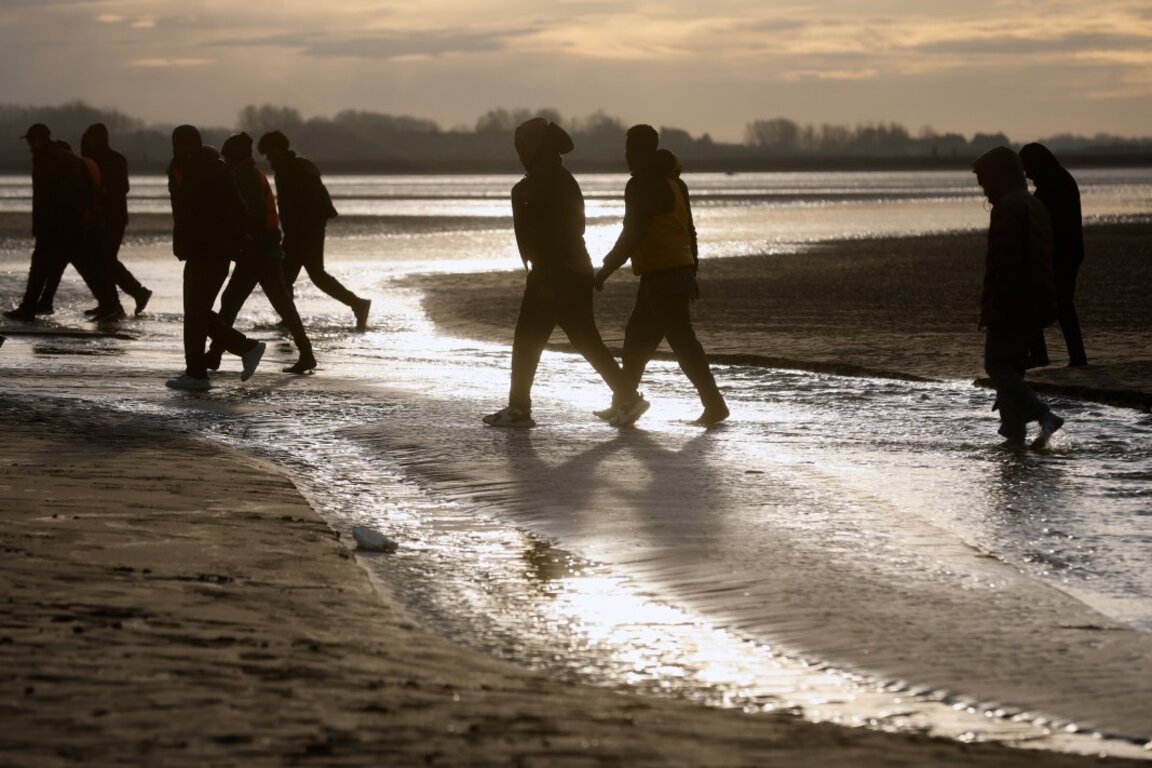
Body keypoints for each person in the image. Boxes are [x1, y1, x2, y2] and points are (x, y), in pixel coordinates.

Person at [482, 118, 648, 428]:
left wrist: (545, 277)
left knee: (529, 339)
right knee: (584, 339)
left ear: (534, 148)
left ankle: (519, 408)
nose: (519, 152)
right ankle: (628, 397)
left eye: (522, 146)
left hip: (554, 273)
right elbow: (577, 226)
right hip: (574, 269)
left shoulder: (536, 184)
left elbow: (550, 234)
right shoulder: (561, 178)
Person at [594, 125, 729, 426]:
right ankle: (622, 401)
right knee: (636, 340)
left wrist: (605, 269)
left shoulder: (641, 184)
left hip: (662, 276)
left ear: (641, 150)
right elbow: (689, 232)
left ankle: (715, 405)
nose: (626, 153)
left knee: (682, 343)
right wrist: (692, 270)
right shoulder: (675, 184)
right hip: (670, 273)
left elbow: (632, 234)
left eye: (630, 148)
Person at [972, 146, 1065, 449]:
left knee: (996, 365)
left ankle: (1043, 415)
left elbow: (1006, 263)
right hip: (1034, 303)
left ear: (1000, 178)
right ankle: (1014, 438)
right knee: (1011, 371)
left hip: (1011, 304)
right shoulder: (1034, 205)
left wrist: (995, 307)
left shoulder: (1008, 209)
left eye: (985, 182)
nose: (984, 190)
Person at [165, 124, 265, 391]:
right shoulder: (177, 170)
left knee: (196, 312)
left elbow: (238, 209)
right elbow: (182, 214)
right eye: (180, 144)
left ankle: (199, 372)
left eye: (189, 144)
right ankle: (240, 351)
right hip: (194, 249)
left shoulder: (213, 168)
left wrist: (231, 243)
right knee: (196, 312)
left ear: (197, 144)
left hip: (214, 250)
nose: (184, 150)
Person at [208, 132, 317, 375]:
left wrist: (240, 239)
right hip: (263, 250)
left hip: (258, 252)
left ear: (234, 157)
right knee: (268, 304)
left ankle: (215, 354)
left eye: (227, 157)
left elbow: (253, 214)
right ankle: (215, 354)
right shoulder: (250, 173)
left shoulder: (245, 175)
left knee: (239, 302)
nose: (225, 162)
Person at [255, 131, 371, 331]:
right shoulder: (302, 166)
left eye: (269, 153)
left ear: (278, 149)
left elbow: (296, 205)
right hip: (312, 228)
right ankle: (357, 304)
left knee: (284, 278)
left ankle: (290, 319)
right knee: (312, 275)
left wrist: (291, 233)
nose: (268, 158)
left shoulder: (289, 170)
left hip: (302, 231)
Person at [4, 124, 115, 322]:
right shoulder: (65, 158)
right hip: (68, 223)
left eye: (31, 141)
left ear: (39, 140)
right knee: (84, 265)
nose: (29, 146)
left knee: (41, 268)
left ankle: (29, 308)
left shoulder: (50, 161)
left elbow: (53, 196)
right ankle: (109, 305)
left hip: (56, 225)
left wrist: (56, 220)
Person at [1020, 143, 1088, 367]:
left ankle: (1043, 356)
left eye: (1027, 169)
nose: (1027, 175)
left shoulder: (1052, 183)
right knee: (1062, 305)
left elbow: (1037, 213)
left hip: (1060, 254)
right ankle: (1075, 357)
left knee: (1038, 302)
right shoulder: (1059, 178)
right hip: (1069, 252)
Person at [80, 123, 152, 317]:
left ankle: (121, 300)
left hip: (114, 217)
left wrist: (107, 191)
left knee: (106, 259)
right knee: (103, 260)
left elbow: (124, 187)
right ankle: (116, 300)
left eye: (94, 139)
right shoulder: (90, 160)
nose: (91, 143)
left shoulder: (116, 159)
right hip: (98, 217)